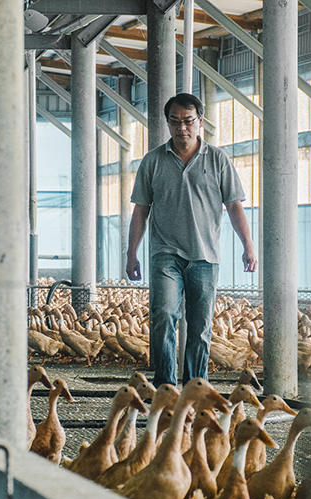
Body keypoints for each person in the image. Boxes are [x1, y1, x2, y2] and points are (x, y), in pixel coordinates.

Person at [125, 93, 257, 388]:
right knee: (164, 316)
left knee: (199, 327)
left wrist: (248, 244)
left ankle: (196, 387)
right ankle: (165, 388)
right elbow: (140, 211)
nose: (181, 128)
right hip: (165, 254)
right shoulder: (153, 161)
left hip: (205, 256)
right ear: (168, 124)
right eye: (175, 122)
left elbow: (234, 205)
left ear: (200, 121)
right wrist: (131, 253)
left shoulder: (218, 159)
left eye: (188, 121)